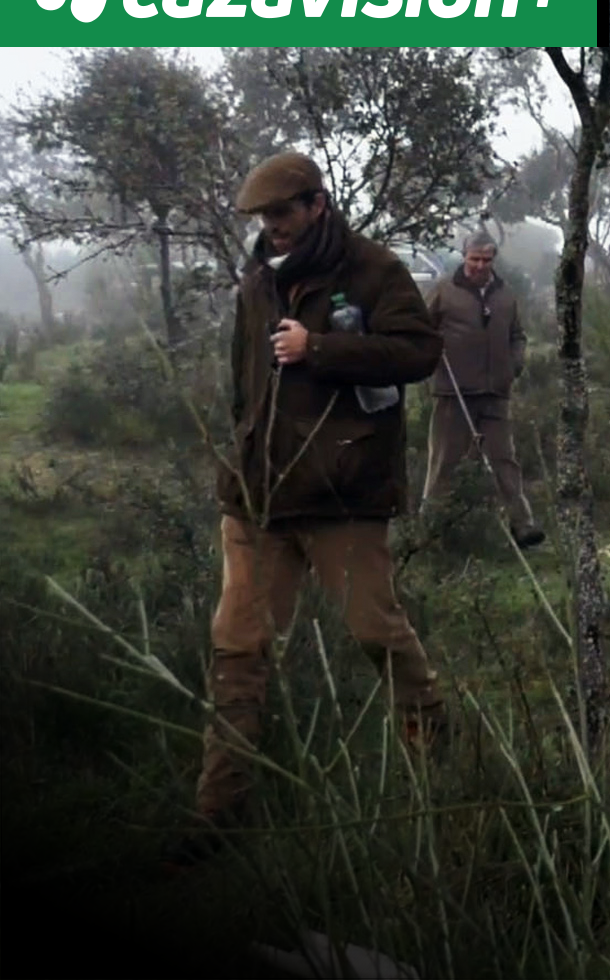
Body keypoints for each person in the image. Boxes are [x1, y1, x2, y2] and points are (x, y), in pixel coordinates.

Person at [189, 151, 446, 846]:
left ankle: (441, 766)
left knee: (375, 631)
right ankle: (217, 815)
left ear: (315, 205)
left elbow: (419, 352)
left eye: (281, 214)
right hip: (258, 497)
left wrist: (322, 348)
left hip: (341, 492)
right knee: (237, 648)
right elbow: (246, 379)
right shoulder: (255, 280)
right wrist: (242, 449)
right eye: (263, 218)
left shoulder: (372, 269)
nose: (271, 228)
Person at [421, 230, 544, 548]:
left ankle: (522, 525)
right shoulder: (444, 291)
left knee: (505, 460)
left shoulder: (505, 295)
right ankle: (428, 531)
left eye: (485, 260)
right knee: (445, 462)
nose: (479, 266)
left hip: (495, 394)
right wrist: (432, 356)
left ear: (493, 260)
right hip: (453, 393)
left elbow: (518, 334)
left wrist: (515, 364)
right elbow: (420, 329)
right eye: (474, 259)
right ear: (464, 257)